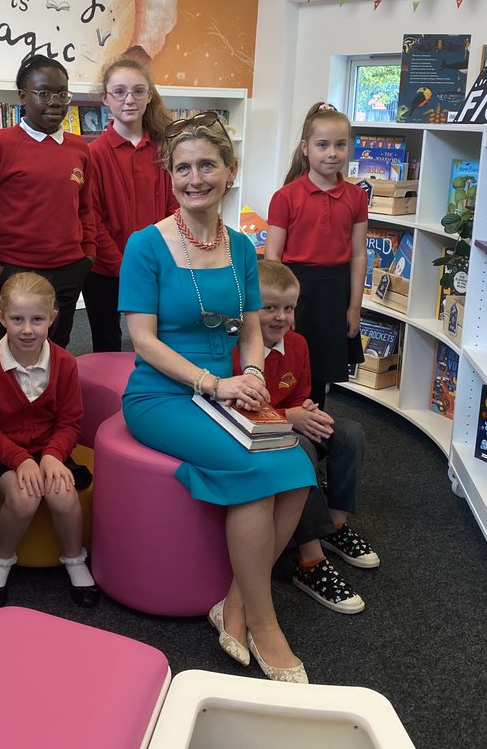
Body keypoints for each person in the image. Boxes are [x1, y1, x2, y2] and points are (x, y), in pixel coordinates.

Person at [120, 112, 315, 683]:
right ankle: (265, 620)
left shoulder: (241, 249)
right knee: (255, 471)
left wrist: (251, 374)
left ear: (230, 171)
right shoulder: (145, 246)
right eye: (182, 168)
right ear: (170, 176)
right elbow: (143, 340)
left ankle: (233, 602)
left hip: (230, 390)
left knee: (299, 470)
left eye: (207, 164)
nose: (194, 177)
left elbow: (252, 329)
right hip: (164, 394)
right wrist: (214, 383)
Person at [238, 260, 379, 615]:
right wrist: (291, 418)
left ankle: (336, 525)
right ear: (250, 309)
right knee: (300, 448)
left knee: (349, 433)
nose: (280, 317)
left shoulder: (298, 345)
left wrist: (308, 411)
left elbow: (301, 393)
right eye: (269, 307)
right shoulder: (238, 350)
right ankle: (310, 560)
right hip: (258, 438)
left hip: (292, 422)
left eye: (288, 308)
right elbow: (239, 411)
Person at [0, 272, 99, 611]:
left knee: (63, 493)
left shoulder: (66, 363)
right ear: (1, 318)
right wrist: (21, 459)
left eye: (37, 320)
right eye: (17, 319)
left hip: (51, 449)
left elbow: (70, 422)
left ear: (52, 319)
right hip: (3, 453)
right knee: (25, 496)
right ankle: (1, 559)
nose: (27, 329)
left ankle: (74, 559)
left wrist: (53, 455)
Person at [0, 55, 95, 348]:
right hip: (16, 272)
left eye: (62, 94)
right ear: (22, 96)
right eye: (43, 93)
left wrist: (88, 256)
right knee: (16, 354)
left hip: (70, 270)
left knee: (58, 348)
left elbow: (86, 208)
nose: (55, 102)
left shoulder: (79, 148)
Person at [266, 102, 367, 409]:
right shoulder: (285, 197)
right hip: (296, 289)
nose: (332, 153)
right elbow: (273, 258)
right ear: (306, 148)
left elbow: (359, 254)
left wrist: (354, 308)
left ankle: (315, 433)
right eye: (322, 145)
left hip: (335, 292)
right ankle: (279, 423)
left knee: (320, 370)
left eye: (340, 144)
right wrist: (274, 306)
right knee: (287, 361)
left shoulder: (357, 196)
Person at [83, 56, 177, 352]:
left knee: (158, 341)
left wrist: (157, 259)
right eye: (119, 92)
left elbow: (173, 209)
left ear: (149, 96)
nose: (129, 100)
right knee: (107, 342)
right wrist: (123, 265)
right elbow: (92, 218)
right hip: (106, 270)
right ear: (105, 99)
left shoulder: (164, 150)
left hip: (156, 265)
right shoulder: (93, 154)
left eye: (138, 91)